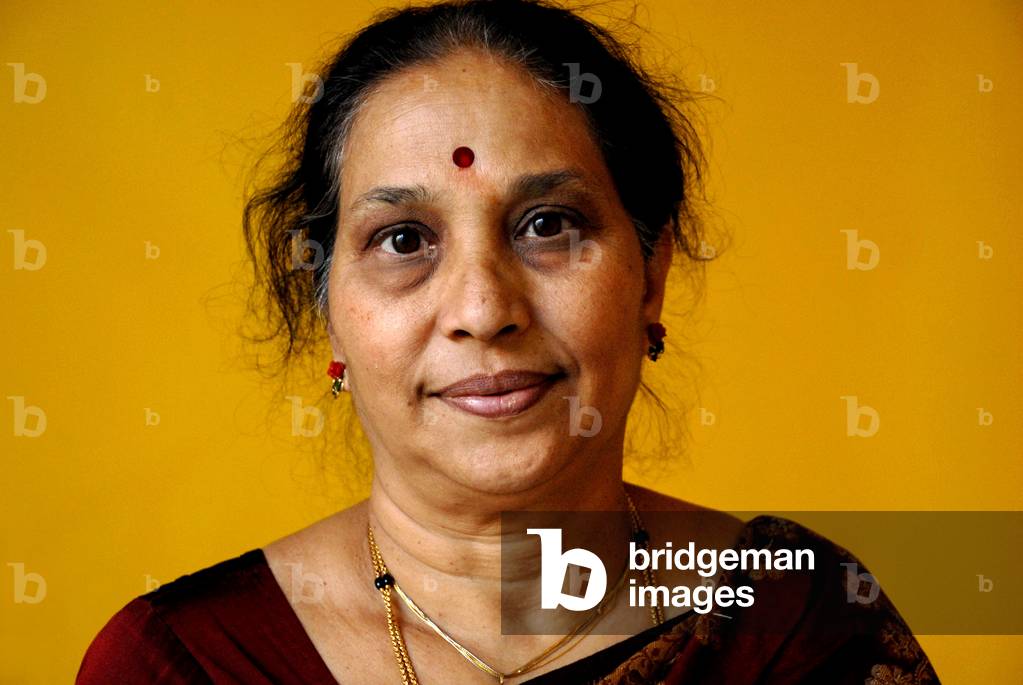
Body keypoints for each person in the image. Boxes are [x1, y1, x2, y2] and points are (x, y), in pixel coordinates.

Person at [77, 0, 940, 682]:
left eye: (547, 224)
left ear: (650, 274)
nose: (484, 308)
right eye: (404, 239)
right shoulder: (181, 664)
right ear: (327, 303)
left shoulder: (796, 628)